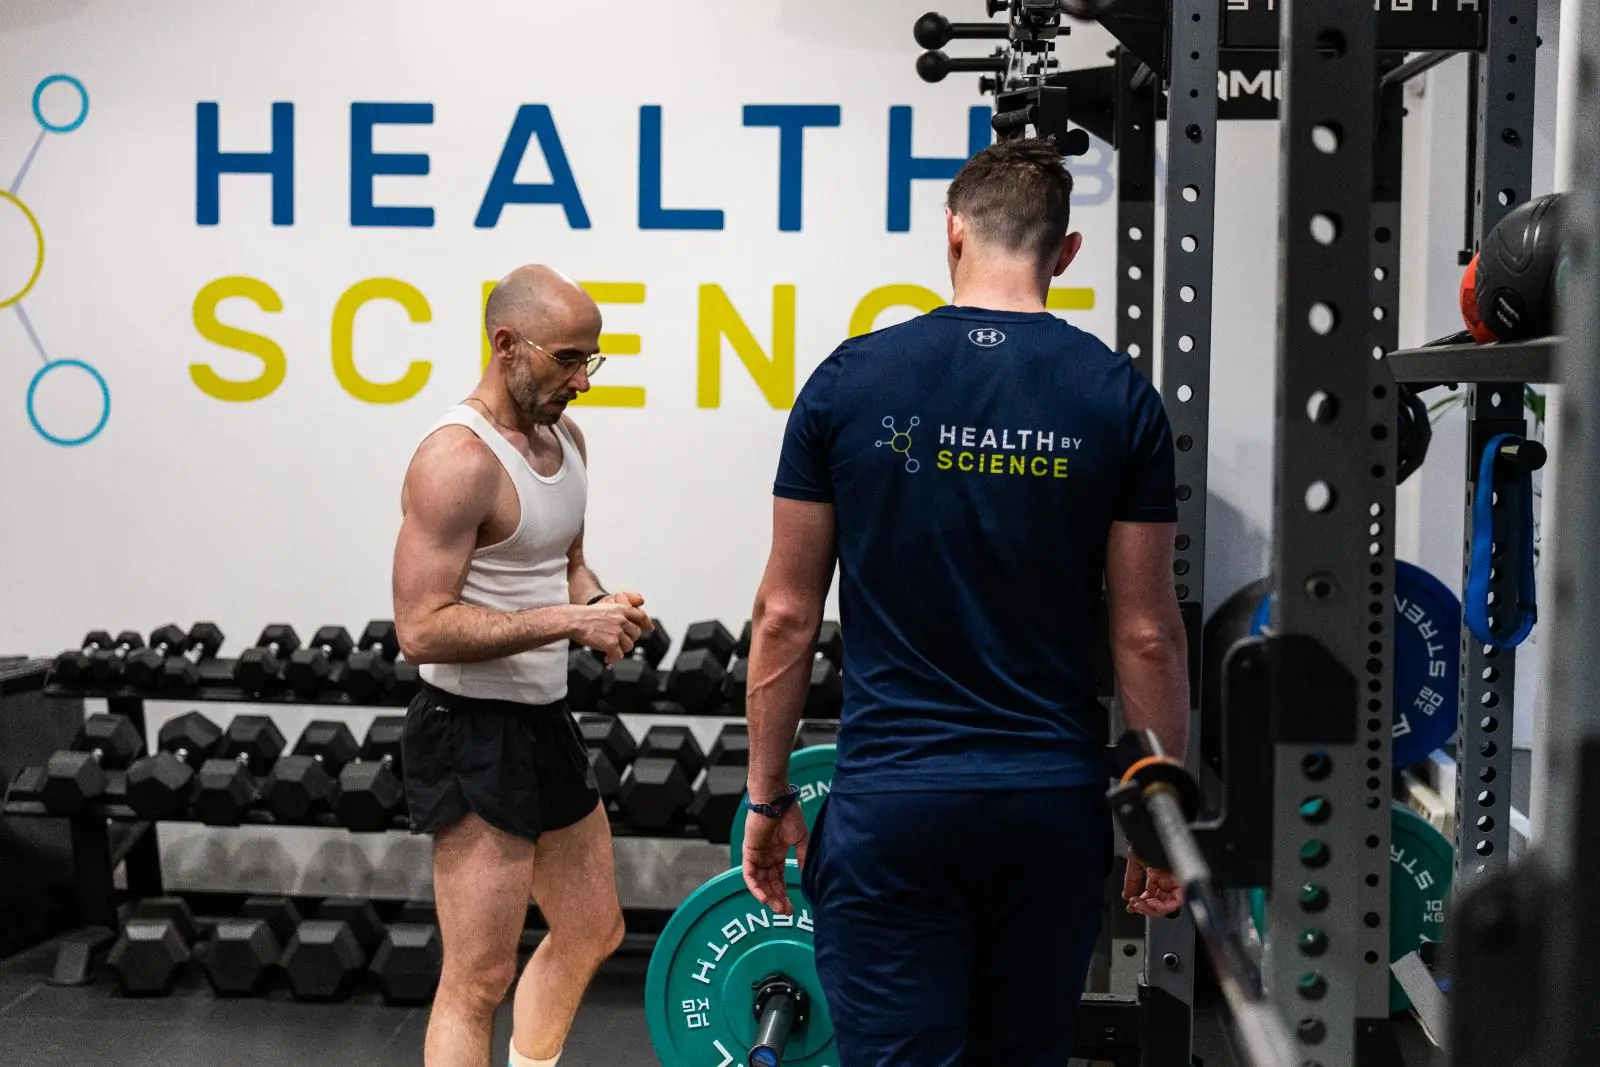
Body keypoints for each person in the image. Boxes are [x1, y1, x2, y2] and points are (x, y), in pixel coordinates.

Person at [739, 137, 1191, 1067]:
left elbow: (784, 615)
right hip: (1047, 809)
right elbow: (1146, 634)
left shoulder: (846, 382)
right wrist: (1158, 818)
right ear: (1064, 254)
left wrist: (767, 793)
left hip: (894, 810)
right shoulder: (1119, 399)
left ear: (950, 233)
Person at [392, 264, 653, 1067]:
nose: (582, 380)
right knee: (477, 979)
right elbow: (421, 627)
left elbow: (565, 561)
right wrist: (571, 621)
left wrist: (604, 605)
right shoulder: (455, 460)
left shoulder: (566, 438)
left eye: (591, 360)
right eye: (568, 359)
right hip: (468, 729)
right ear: (506, 343)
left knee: (592, 929)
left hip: (543, 720)